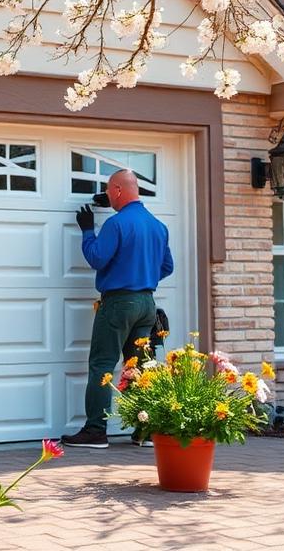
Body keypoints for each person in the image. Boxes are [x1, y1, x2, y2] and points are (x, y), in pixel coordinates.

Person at [61, 169, 174, 449]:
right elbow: (167, 267)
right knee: (139, 367)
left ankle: (96, 431)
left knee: (102, 364)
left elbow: (97, 258)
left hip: (118, 304)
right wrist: (141, 276)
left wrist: (87, 229)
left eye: (110, 191)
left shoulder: (116, 223)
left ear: (118, 190)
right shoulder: (158, 226)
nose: (109, 197)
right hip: (147, 303)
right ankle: (145, 430)